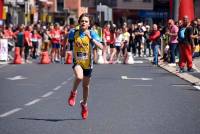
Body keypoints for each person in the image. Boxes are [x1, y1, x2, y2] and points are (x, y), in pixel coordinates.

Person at [67, 13, 103, 120]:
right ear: (79, 22)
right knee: (79, 77)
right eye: (82, 21)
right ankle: (73, 93)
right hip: (77, 61)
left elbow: (101, 46)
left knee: (86, 86)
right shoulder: (74, 32)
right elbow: (68, 40)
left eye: (86, 21)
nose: (84, 23)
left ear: (89, 24)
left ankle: (84, 105)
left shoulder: (93, 33)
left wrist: (91, 39)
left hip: (88, 63)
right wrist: (64, 49)